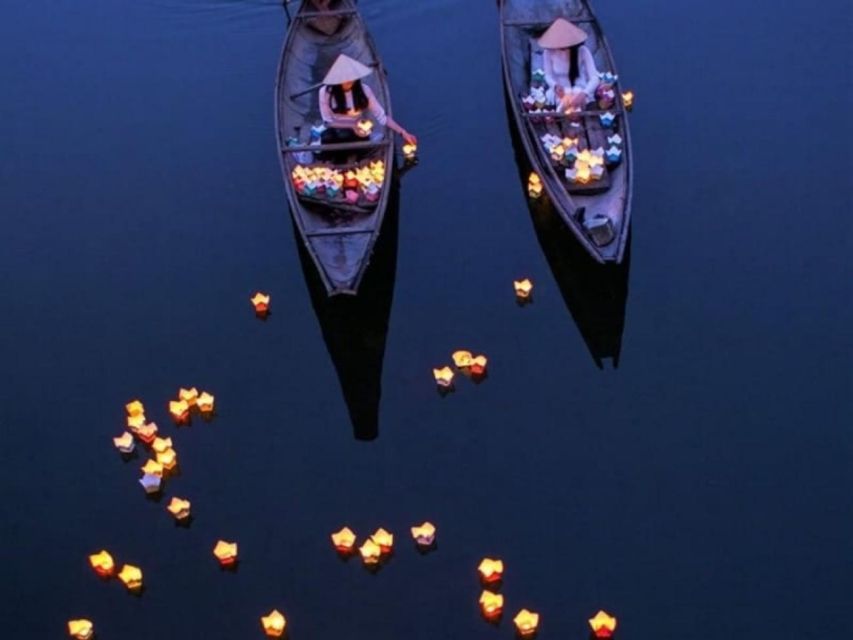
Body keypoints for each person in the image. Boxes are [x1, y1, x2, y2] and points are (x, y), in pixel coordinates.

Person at [318, 54, 417, 148]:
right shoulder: (325, 93)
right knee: (329, 137)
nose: (349, 80)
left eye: (351, 76)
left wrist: (403, 132)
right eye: (345, 77)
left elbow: (382, 117)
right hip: (336, 129)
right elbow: (328, 121)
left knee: (357, 137)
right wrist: (353, 125)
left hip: (358, 131)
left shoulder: (364, 90)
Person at [538, 18, 600, 112]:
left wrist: (584, 93)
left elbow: (595, 78)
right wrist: (555, 86)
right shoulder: (548, 53)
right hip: (560, 92)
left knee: (577, 100)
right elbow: (548, 75)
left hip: (580, 90)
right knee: (561, 104)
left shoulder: (583, 51)